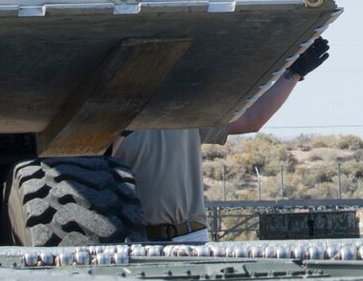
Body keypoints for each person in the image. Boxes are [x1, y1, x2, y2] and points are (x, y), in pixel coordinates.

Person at [111, 37, 328, 242]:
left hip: (191, 237)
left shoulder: (184, 111)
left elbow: (251, 119)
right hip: (135, 239)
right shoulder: (101, 124)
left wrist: (293, 74)